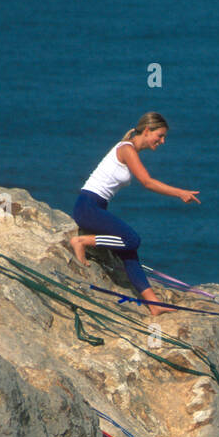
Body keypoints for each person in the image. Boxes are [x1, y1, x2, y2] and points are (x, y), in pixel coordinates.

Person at [69, 112, 200, 318]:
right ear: (147, 131)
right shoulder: (127, 149)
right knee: (132, 240)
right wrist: (180, 193)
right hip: (88, 207)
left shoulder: (128, 148)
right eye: (160, 135)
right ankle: (82, 241)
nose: (162, 141)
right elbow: (147, 182)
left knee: (129, 253)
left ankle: (153, 303)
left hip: (95, 208)